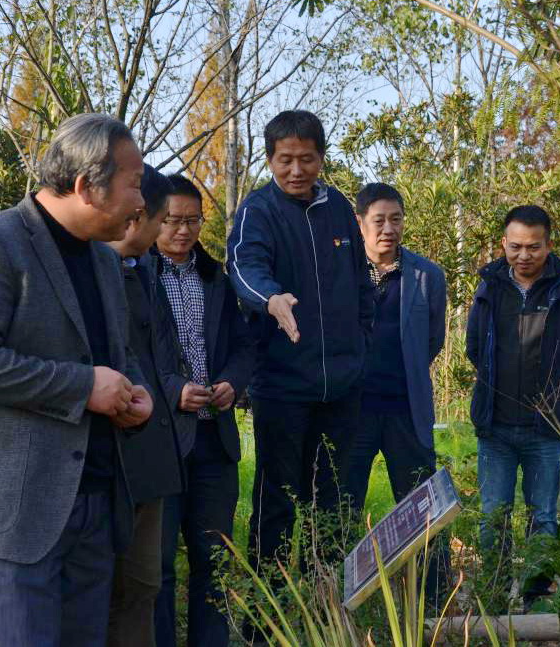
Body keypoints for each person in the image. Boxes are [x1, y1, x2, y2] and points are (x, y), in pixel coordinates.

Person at [0, 113, 154, 647]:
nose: (142, 201)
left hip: (95, 500)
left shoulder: (103, 260)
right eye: (135, 183)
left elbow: (116, 354)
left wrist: (135, 393)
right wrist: (82, 387)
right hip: (20, 509)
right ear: (86, 187)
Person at [225, 110, 374, 574]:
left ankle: (324, 603)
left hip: (343, 388)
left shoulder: (337, 210)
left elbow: (361, 285)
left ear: (320, 159)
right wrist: (271, 298)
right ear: (270, 159)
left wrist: (359, 347)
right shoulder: (258, 211)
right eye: (285, 160)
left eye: (306, 159)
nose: (296, 171)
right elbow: (243, 267)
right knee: (279, 501)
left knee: (332, 504)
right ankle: (265, 616)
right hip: (283, 386)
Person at [465, 205, 560, 606]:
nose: (524, 255)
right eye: (516, 246)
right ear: (504, 243)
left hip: (548, 428)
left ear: (548, 245)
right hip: (496, 424)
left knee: (544, 517)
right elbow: (475, 346)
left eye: (534, 247)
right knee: (493, 517)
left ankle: (534, 595)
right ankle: (493, 591)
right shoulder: (489, 284)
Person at [154, 175, 254, 647]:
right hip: (159, 441)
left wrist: (233, 381)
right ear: (153, 218)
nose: (182, 230)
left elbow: (242, 345)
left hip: (215, 442)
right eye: (171, 220)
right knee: (156, 568)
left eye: (192, 220)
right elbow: (131, 352)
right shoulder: (134, 276)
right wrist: (173, 390)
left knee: (212, 563)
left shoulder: (216, 278)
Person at [342, 182, 449, 600]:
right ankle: (336, 597)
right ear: (360, 224)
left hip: (406, 407)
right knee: (342, 504)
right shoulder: (343, 275)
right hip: (353, 411)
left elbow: (432, 340)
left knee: (424, 504)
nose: (388, 228)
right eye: (379, 220)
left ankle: (431, 599)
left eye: (396, 219)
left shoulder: (427, 276)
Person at [106, 165, 187, 646]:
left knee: (143, 586)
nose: (165, 233)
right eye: (162, 221)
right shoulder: (90, 274)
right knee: (114, 590)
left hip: (150, 455)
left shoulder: (143, 274)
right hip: (110, 465)